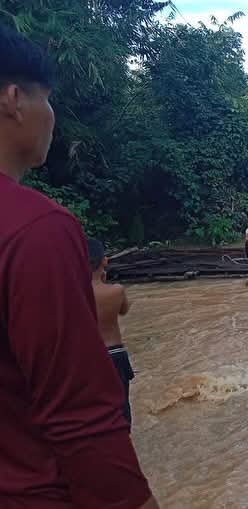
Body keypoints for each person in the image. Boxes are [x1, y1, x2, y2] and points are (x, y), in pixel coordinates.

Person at [0, 23, 158, 508]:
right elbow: (78, 417)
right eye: (46, 100)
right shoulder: (36, 229)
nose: (51, 117)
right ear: (13, 99)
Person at [87, 238, 136, 428]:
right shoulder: (116, 291)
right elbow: (123, 310)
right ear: (104, 261)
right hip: (116, 354)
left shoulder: (75, 292)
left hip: (90, 356)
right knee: (121, 408)